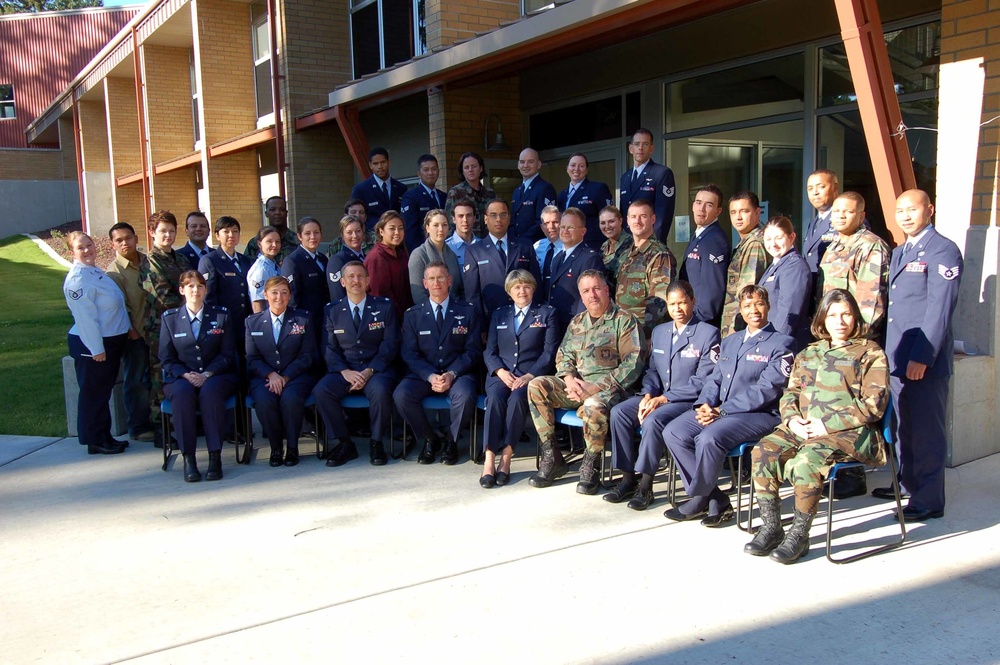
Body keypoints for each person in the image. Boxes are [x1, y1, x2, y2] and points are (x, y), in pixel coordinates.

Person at [745, 289, 888, 563]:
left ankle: (800, 534)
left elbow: (874, 404)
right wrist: (792, 420)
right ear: (823, 319)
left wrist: (826, 425)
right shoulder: (809, 352)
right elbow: (790, 393)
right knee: (763, 451)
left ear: (855, 317)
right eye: (833, 315)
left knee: (806, 462)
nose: (840, 321)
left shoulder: (870, 352)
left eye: (846, 314)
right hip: (803, 427)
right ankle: (772, 527)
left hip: (847, 433)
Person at [662, 285, 794, 527]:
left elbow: (766, 390)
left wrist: (721, 411)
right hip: (719, 411)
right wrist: (704, 404)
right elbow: (715, 378)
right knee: (674, 431)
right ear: (741, 311)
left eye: (759, 304)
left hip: (759, 415)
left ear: (768, 306)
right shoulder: (731, 341)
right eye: (747, 306)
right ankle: (716, 497)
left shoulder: (782, 343)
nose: (754, 310)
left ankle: (700, 497)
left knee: (709, 438)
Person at [875, 189, 962, 522]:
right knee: (902, 429)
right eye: (900, 211)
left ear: (930, 209)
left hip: (923, 361)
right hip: (898, 358)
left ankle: (928, 499)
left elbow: (939, 310)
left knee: (925, 432)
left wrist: (923, 357)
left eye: (912, 209)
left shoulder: (942, 250)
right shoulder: (900, 251)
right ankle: (907, 484)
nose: (906, 216)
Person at [605, 280, 720, 510]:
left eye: (682, 303)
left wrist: (663, 399)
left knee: (654, 419)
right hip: (659, 395)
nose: (677, 309)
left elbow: (703, 380)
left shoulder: (708, 334)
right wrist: (648, 394)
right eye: (672, 304)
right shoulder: (660, 332)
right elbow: (653, 370)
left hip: (685, 401)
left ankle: (646, 486)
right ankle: (628, 477)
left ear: (693, 302)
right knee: (619, 412)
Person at [528, 269, 644, 494]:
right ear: (581, 296)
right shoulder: (577, 322)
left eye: (597, 288)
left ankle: (591, 465)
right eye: (586, 291)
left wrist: (594, 388)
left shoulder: (625, 321)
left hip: (611, 389)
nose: (592, 295)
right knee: (537, 385)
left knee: (593, 405)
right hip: (577, 387)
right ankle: (553, 457)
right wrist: (570, 380)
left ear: (607, 290)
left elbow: (633, 363)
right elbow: (564, 355)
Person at [312, 261, 400, 467]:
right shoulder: (332, 310)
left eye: (360, 276)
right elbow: (329, 347)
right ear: (342, 282)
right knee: (321, 391)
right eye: (350, 277)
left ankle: (377, 442)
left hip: (376, 369)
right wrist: (344, 371)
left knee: (380, 391)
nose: (355, 280)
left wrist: (370, 371)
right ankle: (344, 443)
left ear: (368, 280)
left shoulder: (383, 306)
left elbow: (390, 344)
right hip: (345, 369)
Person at [393, 262, 481, 465]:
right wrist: (430, 376)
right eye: (431, 279)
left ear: (449, 281)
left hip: (458, 373)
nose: (436, 282)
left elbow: (473, 351)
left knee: (466, 395)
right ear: (424, 283)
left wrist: (452, 373)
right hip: (424, 375)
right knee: (401, 395)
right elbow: (409, 354)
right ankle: (429, 439)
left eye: (441, 277)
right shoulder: (413, 315)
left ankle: (451, 440)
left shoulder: (467, 311)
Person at [480, 270, 559, 488]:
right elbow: (490, 351)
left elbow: (549, 352)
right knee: (495, 398)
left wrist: (529, 376)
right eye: (516, 287)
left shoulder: (546, 313)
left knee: (516, 400)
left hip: (530, 377)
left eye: (526, 286)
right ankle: (488, 460)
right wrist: (499, 371)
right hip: (501, 375)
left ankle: (506, 458)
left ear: (533, 288)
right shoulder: (499, 315)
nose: (521, 291)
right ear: (509, 292)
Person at [159, 271, 239, 482]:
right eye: (190, 286)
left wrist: (207, 374)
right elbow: (166, 358)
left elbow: (227, 353)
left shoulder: (221, 315)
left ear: (206, 289)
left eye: (200, 286)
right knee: (183, 395)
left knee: (210, 392)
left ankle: (215, 458)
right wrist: (185, 374)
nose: (195, 290)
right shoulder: (170, 319)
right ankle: (189, 459)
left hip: (216, 375)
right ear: (182, 290)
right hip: (181, 377)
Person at [63, 231, 130, 455]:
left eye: (89, 245)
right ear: (71, 252)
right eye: (80, 247)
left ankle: (104, 436)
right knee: (94, 394)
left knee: (102, 392)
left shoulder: (93, 271)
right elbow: (85, 318)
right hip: (92, 345)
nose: (87, 250)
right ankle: (95, 440)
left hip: (109, 340)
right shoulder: (77, 279)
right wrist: (96, 349)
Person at [245, 276, 318, 467]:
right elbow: (252, 358)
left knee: (290, 398)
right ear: (265, 295)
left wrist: (285, 376)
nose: (279, 297)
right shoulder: (252, 322)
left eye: (284, 292)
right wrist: (271, 375)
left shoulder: (302, 319)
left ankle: (293, 448)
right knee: (264, 400)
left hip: (295, 376)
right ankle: (276, 448)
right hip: (265, 378)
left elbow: (307, 355)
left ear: (290, 295)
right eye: (274, 292)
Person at [140, 210, 193, 448]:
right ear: (152, 232)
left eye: (171, 231)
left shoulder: (180, 259)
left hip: (184, 325)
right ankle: (161, 427)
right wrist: (193, 303)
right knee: (160, 375)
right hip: (160, 328)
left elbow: (194, 283)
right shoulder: (150, 262)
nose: (168, 235)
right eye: (163, 231)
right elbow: (161, 296)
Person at [106, 222, 154, 442]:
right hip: (135, 335)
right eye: (119, 240)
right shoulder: (114, 273)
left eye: (128, 238)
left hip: (158, 332)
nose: (125, 243)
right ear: (113, 244)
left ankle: (159, 421)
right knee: (136, 381)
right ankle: (138, 426)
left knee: (155, 380)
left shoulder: (149, 261)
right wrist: (132, 332)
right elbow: (118, 307)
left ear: (136, 238)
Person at [818, 191, 890, 338]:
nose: (841, 215)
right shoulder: (832, 247)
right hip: (833, 336)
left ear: (861, 216)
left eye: (848, 211)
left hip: (856, 339)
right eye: (836, 211)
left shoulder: (871, 246)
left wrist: (858, 337)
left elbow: (872, 300)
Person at [462, 199, 541, 319]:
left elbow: (536, 283)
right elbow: (472, 294)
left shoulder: (525, 246)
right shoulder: (474, 251)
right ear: (485, 219)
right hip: (490, 318)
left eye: (503, 215)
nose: (498, 219)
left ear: (509, 218)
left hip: (524, 317)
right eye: (493, 215)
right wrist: (480, 327)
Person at [615, 198, 677, 341]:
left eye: (643, 216)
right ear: (627, 221)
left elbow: (659, 302)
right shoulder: (625, 254)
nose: (637, 221)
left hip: (642, 334)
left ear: (653, 219)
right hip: (623, 331)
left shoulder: (659, 254)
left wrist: (650, 337)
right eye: (633, 217)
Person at [199, 216, 253, 356]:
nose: (231, 235)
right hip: (224, 323)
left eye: (235, 231)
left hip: (245, 323)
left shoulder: (246, 261)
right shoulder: (209, 261)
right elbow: (208, 296)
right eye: (226, 231)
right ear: (217, 235)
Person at [719, 191, 769, 338]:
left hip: (741, 327)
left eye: (744, 211)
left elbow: (748, 293)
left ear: (757, 212)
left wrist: (738, 330)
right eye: (733, 212)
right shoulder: (745, 242)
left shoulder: (754, 243)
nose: (738, 217)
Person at [545, 208, 604, 333]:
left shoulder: (589, 258)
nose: (565, 231)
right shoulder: (557, 258)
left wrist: (579, 328)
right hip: (556, 323)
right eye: (562, 227)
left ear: (583, 231)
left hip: (576, 326)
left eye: (570, 227)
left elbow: (590, 297)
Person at [759, 216, 812, 351]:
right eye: (768, 239)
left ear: (792, 237)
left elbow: (788, 310)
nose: (773, 244)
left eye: (779, 238)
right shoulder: (777, 263)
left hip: (785, 343)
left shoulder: (794, 266)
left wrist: (775, 344)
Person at [678, 185, 730, 327]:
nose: (701, 209)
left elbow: (713, 289)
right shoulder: (700, 235)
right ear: (693, 206)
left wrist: (698, 321)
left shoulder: (714, 240)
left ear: (718, 211)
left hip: (701, 323)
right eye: (699, 202)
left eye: (709, 205)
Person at [618, 128, 676, 243]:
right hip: (628, 244)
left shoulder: (661, 173)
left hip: (650, 244)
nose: (640, 148)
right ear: (631, 148)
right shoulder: (625, 177)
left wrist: (654, 244)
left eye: (645, 144)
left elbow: (663, 216)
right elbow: (624, 214)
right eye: (637, 144)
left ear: (651, 148)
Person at [281, 216, 330, 348]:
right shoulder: (292, 260)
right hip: (305, 322)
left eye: (316, 232)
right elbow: (292, 298)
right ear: (299, 236)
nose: (313, 237)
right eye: (307, 233)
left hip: (323, 319)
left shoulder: (323, 259)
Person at [557, 153, 615, 248]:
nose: (576, 169)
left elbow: (609, 217)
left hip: (592, 244)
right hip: (568, 245)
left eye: (581, 166)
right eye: (573, 165)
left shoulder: (598, 188)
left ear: (587, 170)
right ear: (567, 169)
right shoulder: (562, 195)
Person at [364, 210, 413, 319]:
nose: (397, 232)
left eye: (400, 228)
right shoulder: (377, 257)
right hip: (386, 318)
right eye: (392, 228)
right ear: (381, 231)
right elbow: (380, 294)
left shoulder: (401, 253)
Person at [409, 209, 463, 304]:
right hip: (430, 313)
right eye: (436, 225)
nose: (441, 229)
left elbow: (457, 287)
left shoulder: (452, 254)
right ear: (427, 228)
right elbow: (418, 294)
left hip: (454, 310)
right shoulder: (418, 255)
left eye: (444, 225)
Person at [351, 147, 408, 228]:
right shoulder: (361, 189)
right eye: (375, 163)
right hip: (371, 237)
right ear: (370, 165)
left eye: (383, 162)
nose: (380, 166)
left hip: (396, 235)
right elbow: (354, 218)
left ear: (389, 163)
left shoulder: (401, 188)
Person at [401, 154, 448, 252]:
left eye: (434, 169)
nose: (430, 173)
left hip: (444, 249)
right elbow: (410, 231)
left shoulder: (444, 196)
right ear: (419, 174)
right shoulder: (411, 197)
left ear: (438, 172)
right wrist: (419, 254)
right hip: (423, 252)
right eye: (426, 170)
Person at [510, 148, 558, 242]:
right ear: (518, 165)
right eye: (522, 162)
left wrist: (523, 240)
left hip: (536, 244)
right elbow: (513, 221)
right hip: (517, 245)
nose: (526, 165)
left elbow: (544, 221)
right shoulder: (517, 191)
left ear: (539, 164)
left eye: (531, 162)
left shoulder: (545, 188)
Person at [445, 151, 496, 237]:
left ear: (481, 168)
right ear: (462, 171)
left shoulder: (490, 193)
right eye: (466, 167)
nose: (470, 170)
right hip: (465, 243)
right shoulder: (456, 192)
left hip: (487, 243)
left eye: (474, 166)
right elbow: (450, 223)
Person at [802, 169, 840, 277]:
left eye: (821, 187)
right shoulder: (814, 223)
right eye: (810, 188)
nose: (815, 192)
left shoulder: (845, 221)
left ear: (835, 188)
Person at [327, 214, 369, 304]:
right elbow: (337, 294)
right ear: (342, 235)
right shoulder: (337, 260)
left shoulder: (366, 257)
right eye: (349, 233)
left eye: (358, 231)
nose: (354, 236)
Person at [245, 196, 299, 264]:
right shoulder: (255, 243)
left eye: (282, 209)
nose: (277, 213)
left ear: (286, 213)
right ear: (266, 214)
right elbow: (247, 268)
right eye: (272, 209)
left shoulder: (297, 241)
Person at [247, 225, 282, 313]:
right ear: (259, 244)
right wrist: (262, 325)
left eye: (277, 241)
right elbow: (257, 304)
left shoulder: (272, 264)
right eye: (269, 241)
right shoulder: (260, 269)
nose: (274, 245)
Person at [598, 205, 632, 295]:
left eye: (611, 221)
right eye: (603, 223)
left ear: (620, 221)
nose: (607, 226)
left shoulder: (632, 244)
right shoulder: (604, 246)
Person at [534, 205, 564, 295]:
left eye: (555, 222)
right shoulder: (536, 247)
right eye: (546, 223)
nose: (551, 226)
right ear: (542, 227)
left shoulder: (569, 246)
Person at [445, 199, 479, 268]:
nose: (465, 220)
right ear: (454, 219)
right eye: (461, 216)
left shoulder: (483, 246)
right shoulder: (446, 247)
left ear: (474, 218)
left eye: (469, 215)